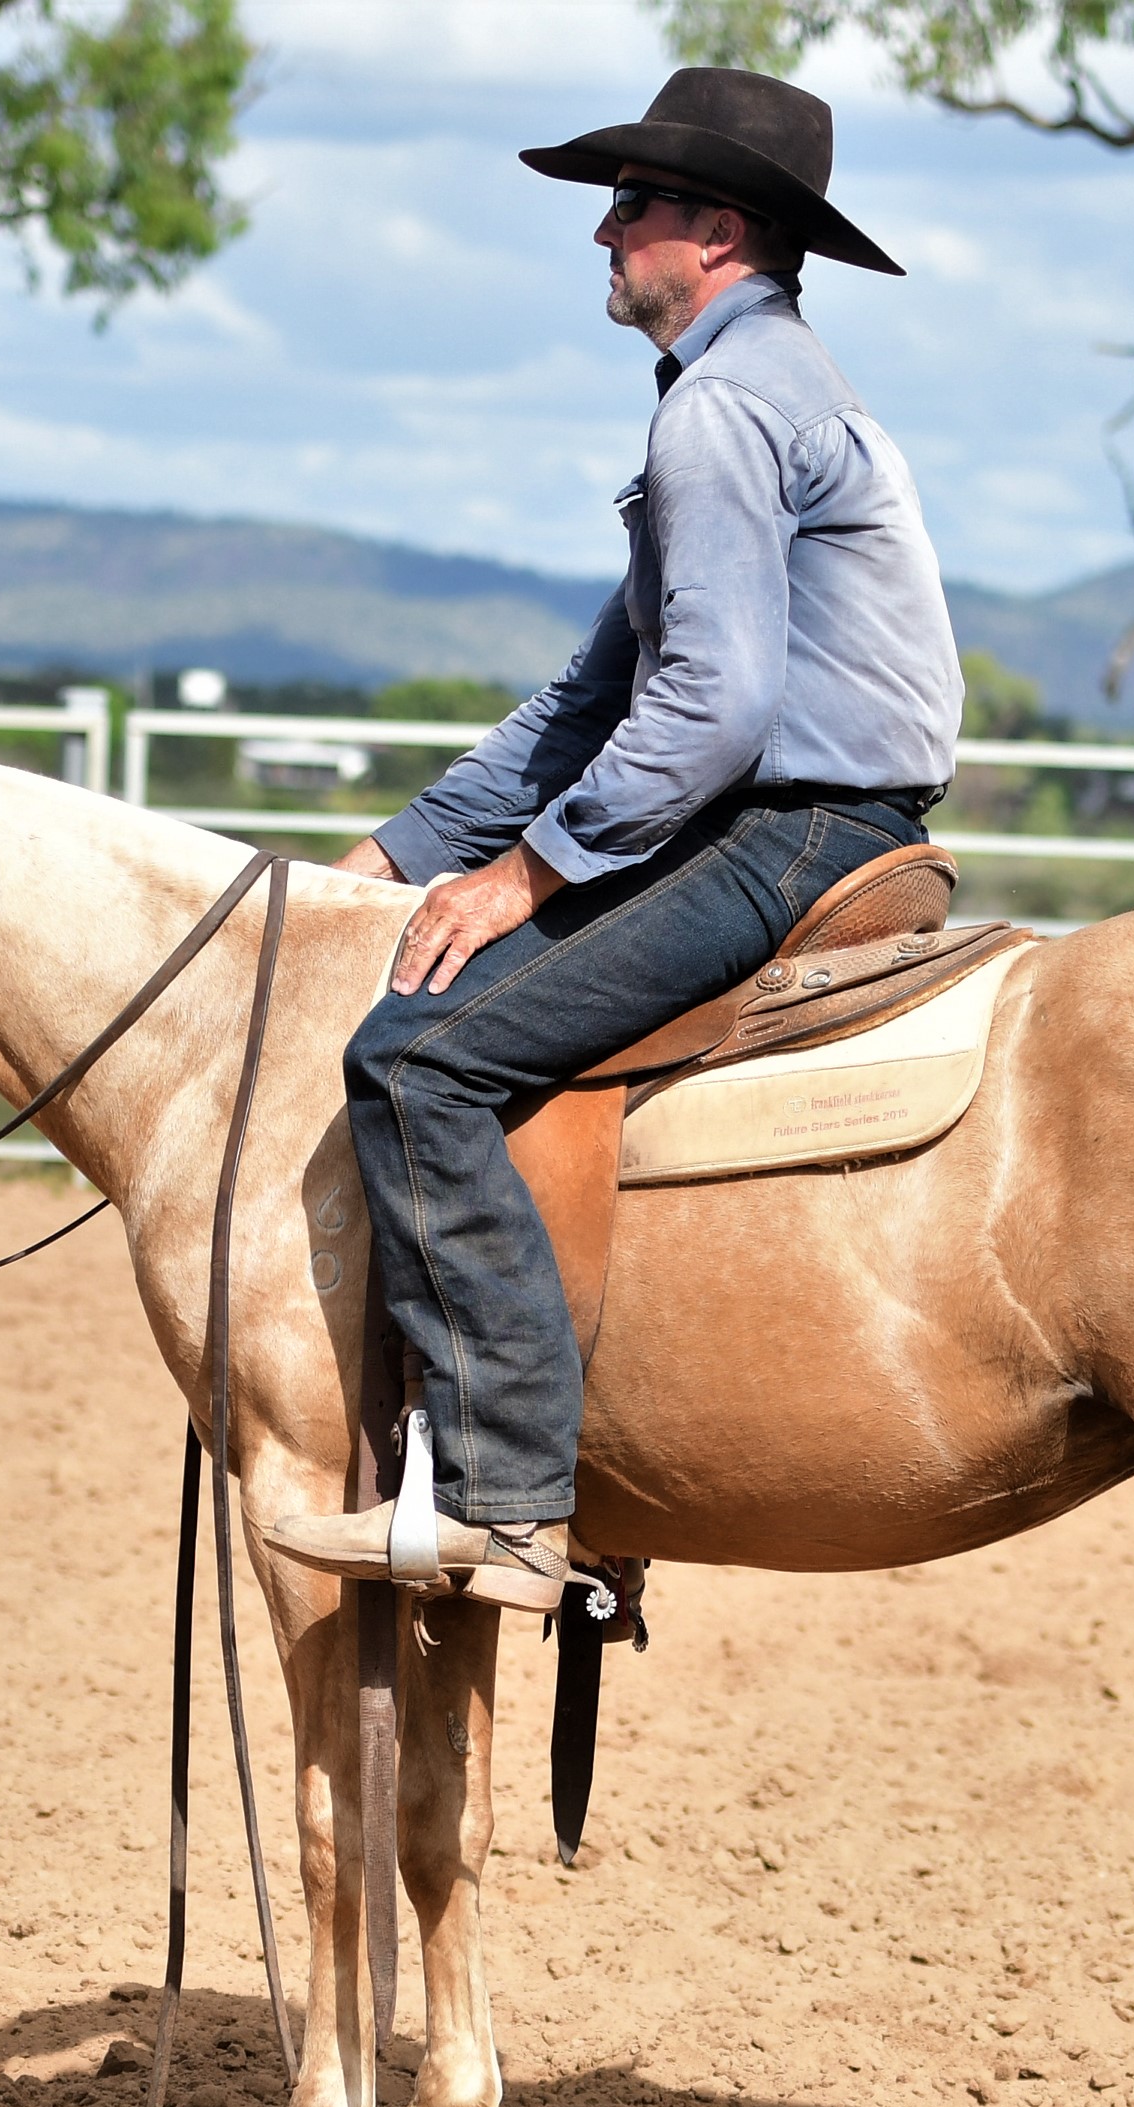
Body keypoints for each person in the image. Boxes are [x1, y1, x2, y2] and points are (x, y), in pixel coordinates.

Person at [265, 67, 964, 1613]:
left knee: (417, 1060)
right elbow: (591, 701)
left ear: (718, 233)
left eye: (633, 204)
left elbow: (711, 705)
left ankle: (511, 1501)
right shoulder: (767, 387)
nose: (603, 231)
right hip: (832, 821)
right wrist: (385, 861)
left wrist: (524, 874)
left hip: (783, 831)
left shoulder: (722, 407)